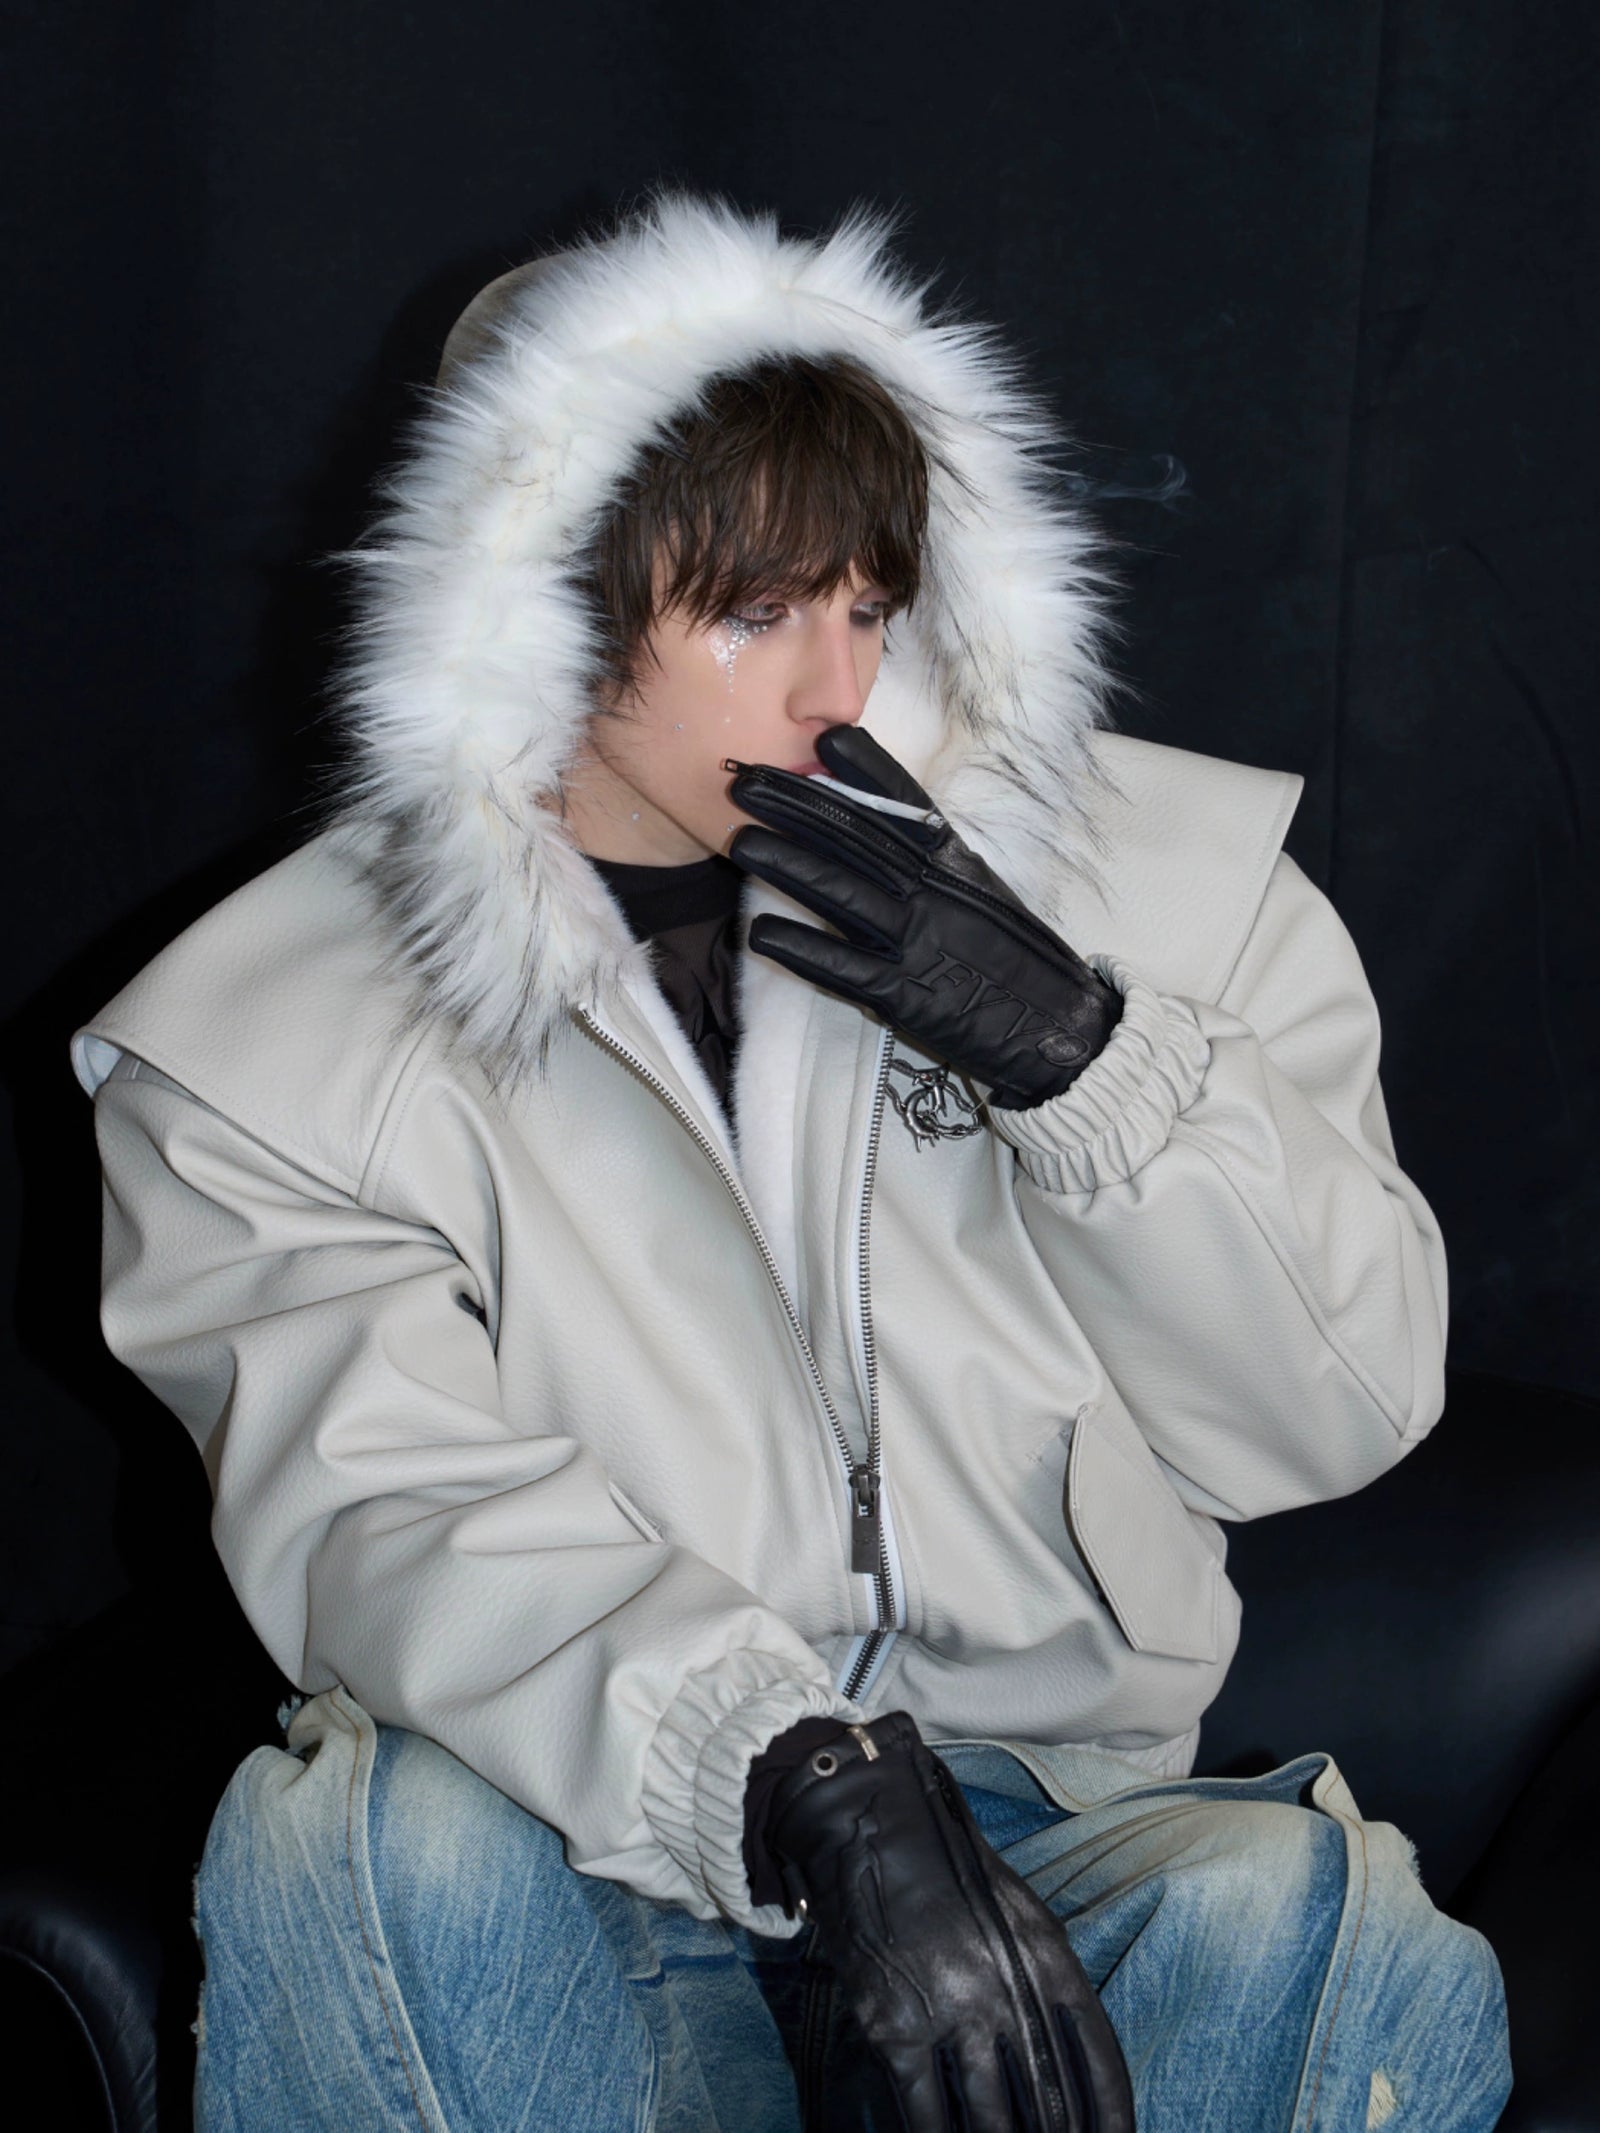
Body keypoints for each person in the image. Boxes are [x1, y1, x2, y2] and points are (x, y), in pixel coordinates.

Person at [73, 193, 1511, 2129]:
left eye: (866, 601)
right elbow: (381, 1517)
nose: (838, 685)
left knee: (1317, 1925)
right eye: (755, 612)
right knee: (358, 1848)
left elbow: (1343, 1402)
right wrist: (787, 1775)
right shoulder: (272, 1047)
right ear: (529, 608)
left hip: (1057, 1830)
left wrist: (1081, 1062)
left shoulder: (1163, 899)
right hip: (583, 1845)